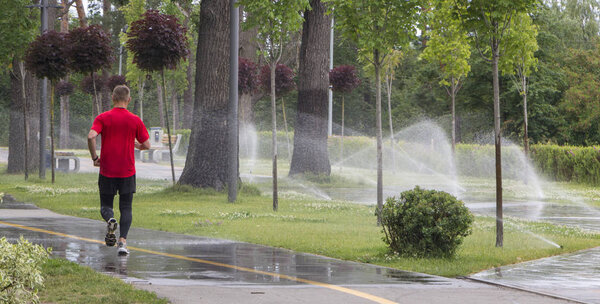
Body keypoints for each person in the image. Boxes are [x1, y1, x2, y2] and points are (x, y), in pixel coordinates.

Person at [87, 85, 150, 255]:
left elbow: (91, 136)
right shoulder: (135, 120)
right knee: (126, 207)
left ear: (113, 98)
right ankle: (122, 243)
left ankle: (110, 219)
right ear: (128, 100)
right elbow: (147, 145)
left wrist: (94, 158)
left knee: (106, 206)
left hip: (107, 170)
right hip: (127, 171)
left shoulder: (103, 118)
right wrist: (137, 145)